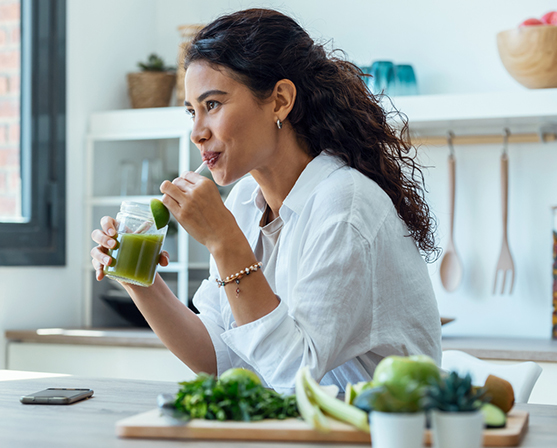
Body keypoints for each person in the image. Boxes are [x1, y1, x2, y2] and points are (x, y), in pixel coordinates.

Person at [91, 8, 441, 394]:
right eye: (192, 112)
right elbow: (219, 358)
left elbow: (295, 378)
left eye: (213, 105)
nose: (197, 133)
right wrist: (138, 278)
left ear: (279, 101)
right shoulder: (244, 201)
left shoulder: (345, 206)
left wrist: (225, 243)